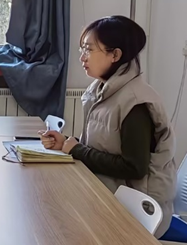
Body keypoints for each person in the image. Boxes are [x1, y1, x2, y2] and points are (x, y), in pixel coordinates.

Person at [41, 16, 176, 230]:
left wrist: (76, 150)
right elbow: (101, 147)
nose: (82, 57)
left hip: (137, 213)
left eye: (89, 50)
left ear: (115, 55)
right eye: (82, 50)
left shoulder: (135, 102)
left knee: (54, 220)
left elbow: (134, 168)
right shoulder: (102, 91)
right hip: (107, 195)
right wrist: (65, 142)